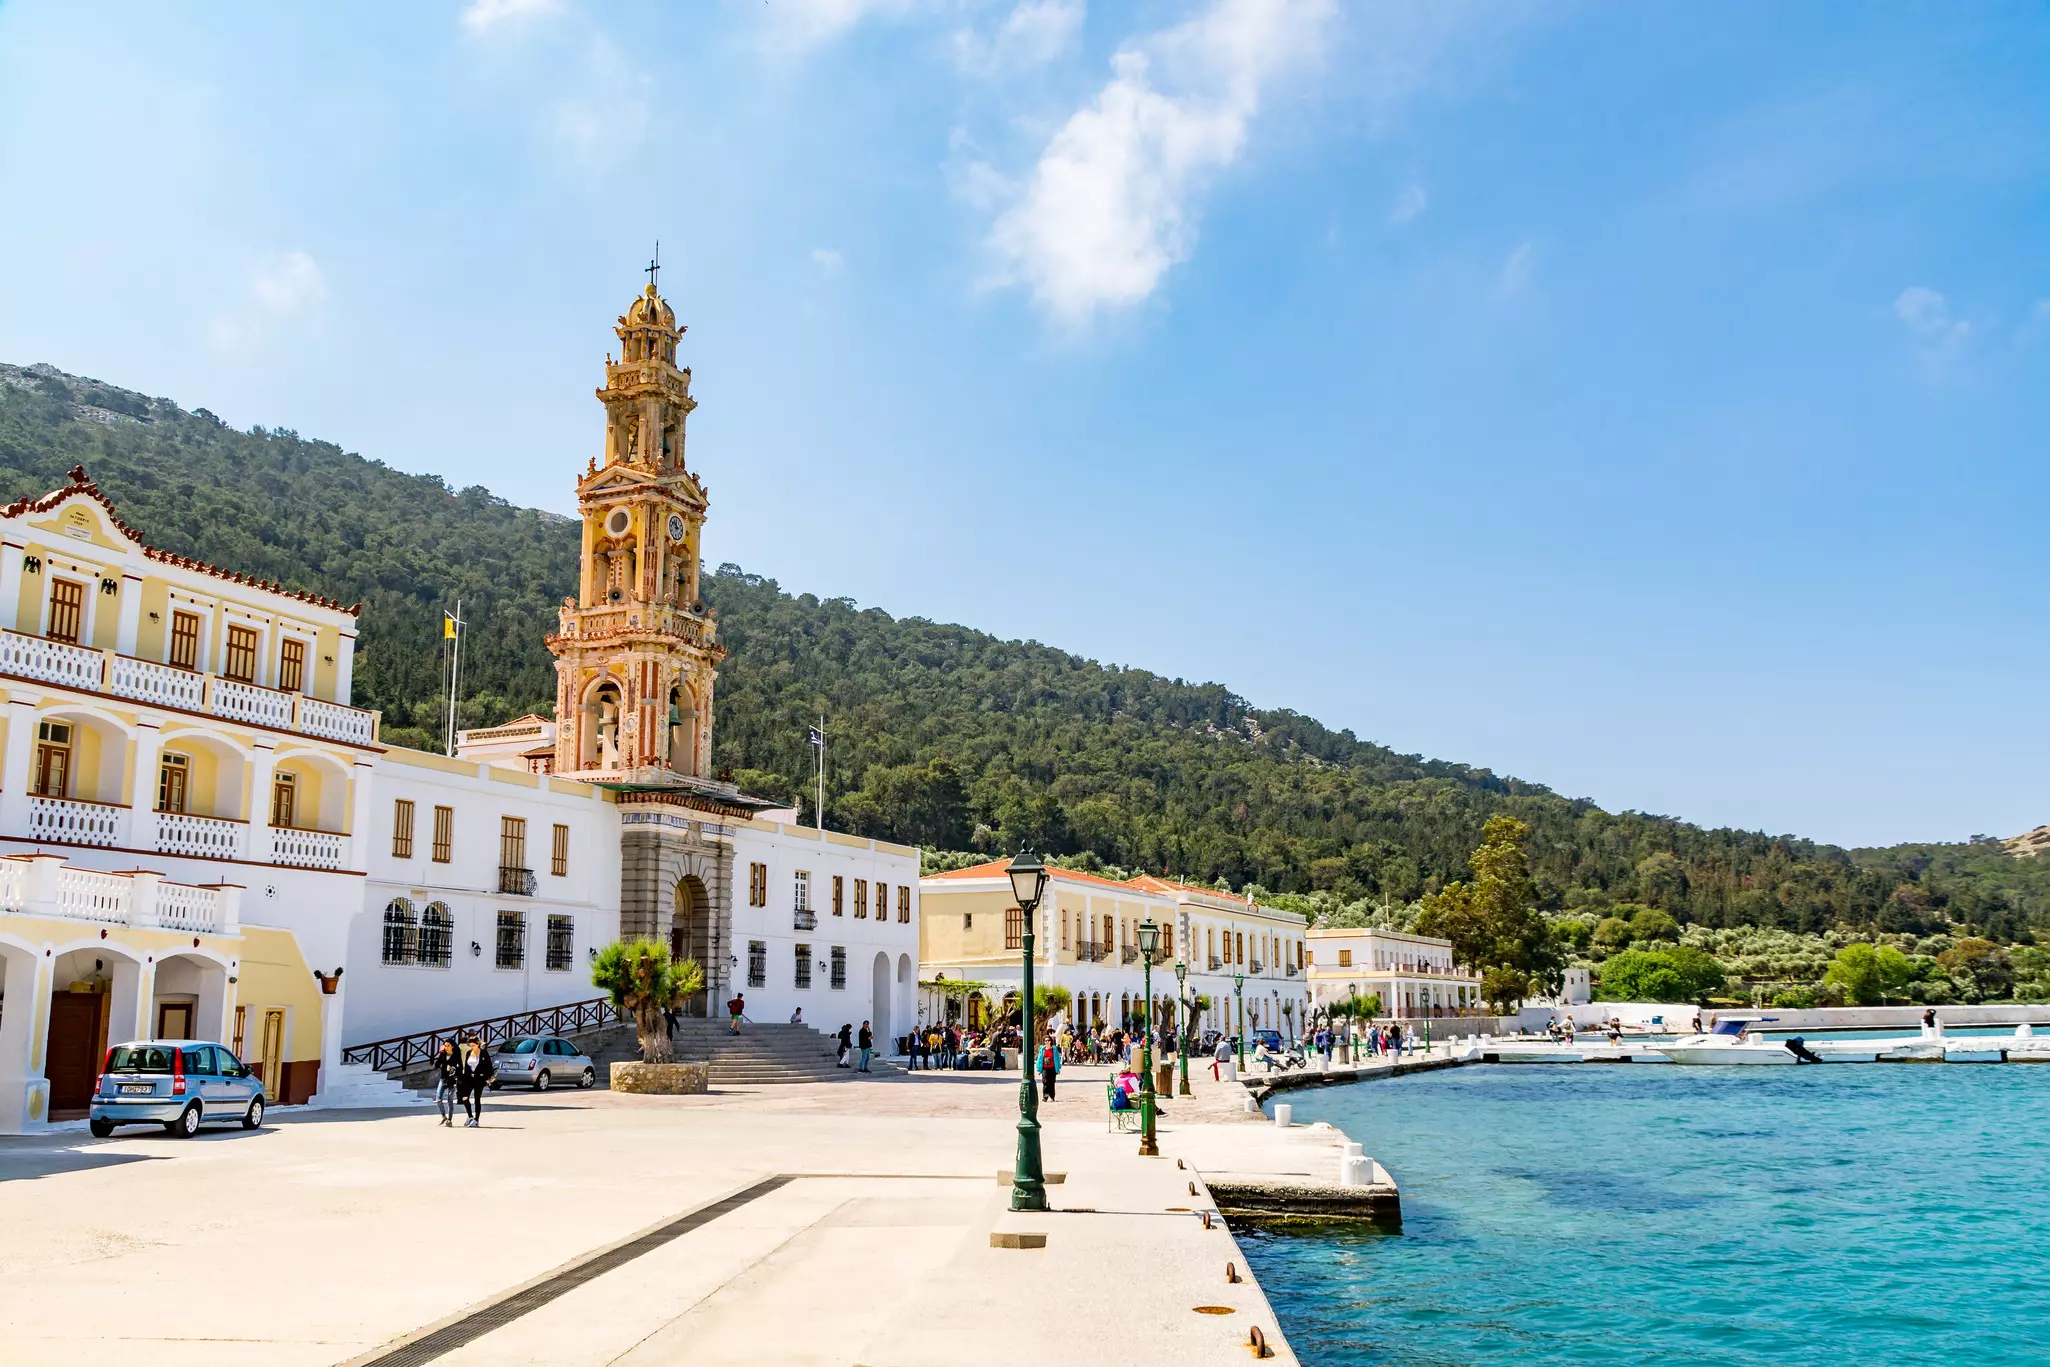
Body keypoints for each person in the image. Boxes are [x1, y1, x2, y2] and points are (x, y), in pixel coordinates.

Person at [456, 1035, 495, 1128]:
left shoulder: (484, 1053)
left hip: (479, 1079)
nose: (472, 1047)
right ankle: (470, 1116)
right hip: (469, 1078)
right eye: (470, 1045)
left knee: (477, 1099)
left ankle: (476, 1120)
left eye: (473, 1045)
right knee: (464, 1097)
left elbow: (489, 1067)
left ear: (478, 1044)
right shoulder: (469, 1052)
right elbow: (466, 1065)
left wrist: (487, 1077)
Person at [431, 1039, 460, 1127]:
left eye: (448, 1046)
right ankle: (443, 1116)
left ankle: (449, 1120)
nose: (446, 1047)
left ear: (452, 1046)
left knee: (450, 1101)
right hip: (443, 1079)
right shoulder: (443, 1054)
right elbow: (436, 1065)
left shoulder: (456, 1056)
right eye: (445, 1046)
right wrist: (440, 1057)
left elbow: (461, 1067)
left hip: (452, 1080)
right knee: (438, 1099)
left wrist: (453, 1068)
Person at [1038, 1034, 1061, 1101]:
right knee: (1045, 1082)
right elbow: (1039, 1059)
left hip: (1052, 1068)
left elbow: (1057, 1059)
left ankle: (1052, 1096)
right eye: (1045, 1041)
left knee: (1051, 1082)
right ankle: (1045, 1097)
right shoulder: (1042, 1049)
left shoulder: (1054, 1049)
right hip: (1045, 1068)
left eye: (1048, 1040)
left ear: (1050, 1041)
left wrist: (1058, 1068)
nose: (1047, 1042)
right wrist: (1039, 1068)